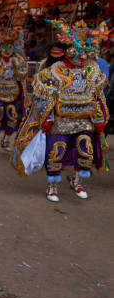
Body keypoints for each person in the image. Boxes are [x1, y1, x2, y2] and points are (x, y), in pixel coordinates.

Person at [12, 20, 109, 202]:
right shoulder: (54, 71)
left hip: (84, 119)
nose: (81, 55)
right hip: (60, 120)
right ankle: (52, 186)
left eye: (84, 50)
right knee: (56, 151)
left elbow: (98, 95)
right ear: (66, 50)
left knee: (85, 150)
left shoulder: (92, 70)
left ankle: (77, 180)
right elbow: (44, 98)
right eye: (77, 50)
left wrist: (100, 118)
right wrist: (47, 118)